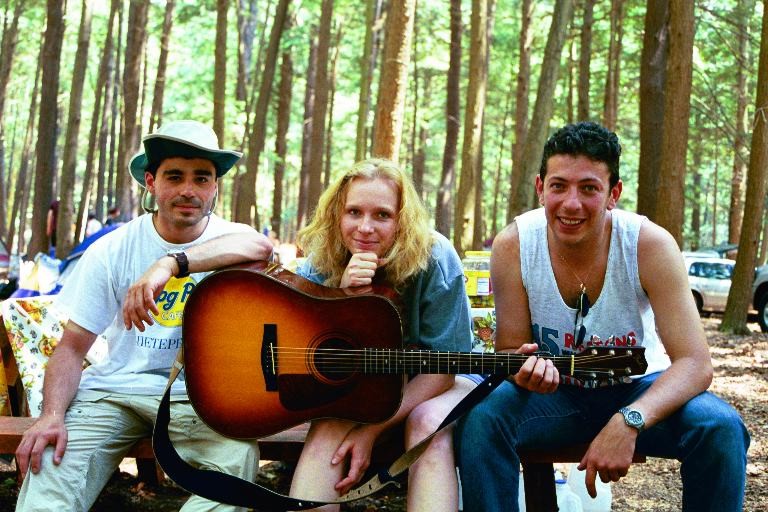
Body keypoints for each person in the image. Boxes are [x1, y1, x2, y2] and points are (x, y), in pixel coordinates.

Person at [455, 121, 750, 511]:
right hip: (554, 396)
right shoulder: (514, 245)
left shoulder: (648, 244)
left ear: (614, 194)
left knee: (720, 427)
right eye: (559, 186)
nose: (571, 203)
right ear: (541, 188)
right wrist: (523, 369)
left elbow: (695, 364)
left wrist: (629, 419)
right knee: (481, 421)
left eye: (589, 188)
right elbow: (511, 350)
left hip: (638, 386)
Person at [14, 120, 274, 511]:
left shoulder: (232, 240)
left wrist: (169, 263)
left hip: (200, 401)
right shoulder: (112, 249)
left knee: (233, 473)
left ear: (215, 187)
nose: (189, 190)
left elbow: (261, 246)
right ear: (151, 182)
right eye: (175, 176)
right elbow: (71, 348)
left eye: (202, 178)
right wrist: (51, 415)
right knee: (51, 474)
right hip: (112, 394)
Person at [288, 159, 480, 512]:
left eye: (382, 215)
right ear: (337, 214)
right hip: (367, 385)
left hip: (442, 380)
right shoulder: (324, 257)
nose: (365, 228)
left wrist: (371, 431)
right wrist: (341, 298)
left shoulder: (435, 256)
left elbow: (443, 368)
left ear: (402, 220)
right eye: (354, 212)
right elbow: (307, 359)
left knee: (428, 424)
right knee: (329, 428)